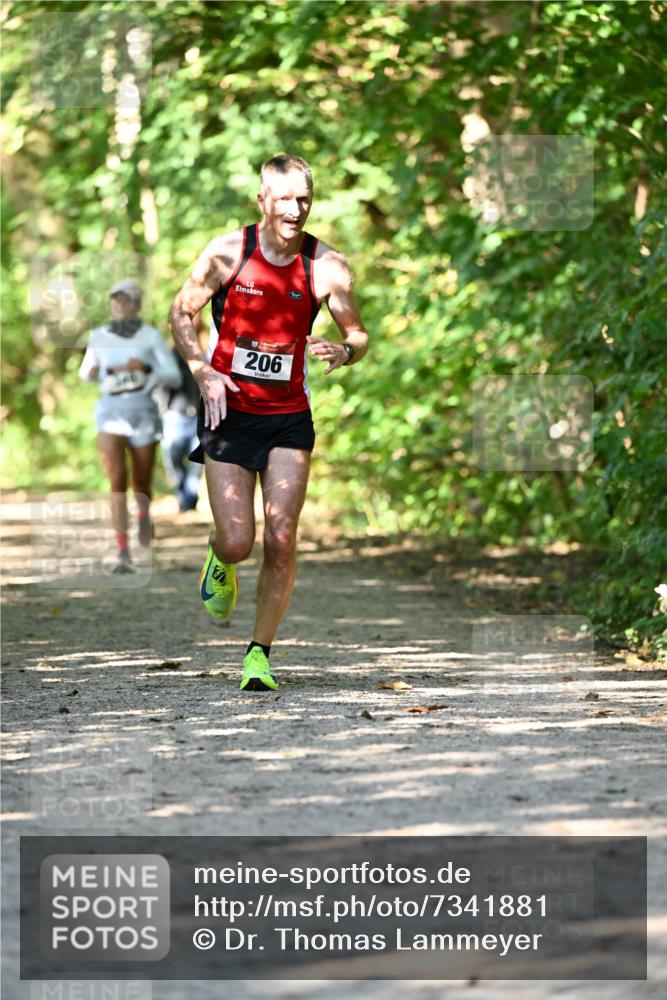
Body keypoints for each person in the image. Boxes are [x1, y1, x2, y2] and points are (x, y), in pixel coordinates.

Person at [169, 154, 369, 690]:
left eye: (304, 199)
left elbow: (358, 333)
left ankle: (258, 654)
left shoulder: (327, 266)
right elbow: (180, 312)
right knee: (239, 540)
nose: (295, 209)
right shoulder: (228, 253)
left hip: (288, 417)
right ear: (262, 200)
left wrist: (346, 351)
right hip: (229, 411)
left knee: (281, 535)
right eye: (284, 199)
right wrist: (202, 371)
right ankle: (220, 557)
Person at [80, 279, 181, 572]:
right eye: (115, 300)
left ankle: (144, 518)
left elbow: (174, 376)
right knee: (116, 481)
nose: (119, 305)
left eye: (125, 300)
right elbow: (85, 373)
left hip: (143, 413)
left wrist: (146, 368)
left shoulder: (150, 337)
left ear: (136, 305)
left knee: (141, 482)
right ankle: (123, 550)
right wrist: (92, 370)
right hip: (110, 413)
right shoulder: (98, 336)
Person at [159, 346, 204, 512]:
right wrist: (163, 411)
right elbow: (162, 386)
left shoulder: (202, 354)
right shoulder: (170, 356)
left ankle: (189, 500)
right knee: (173, 459)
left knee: (197, 462)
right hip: (175, 416)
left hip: (198, 416)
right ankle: (182, 495)